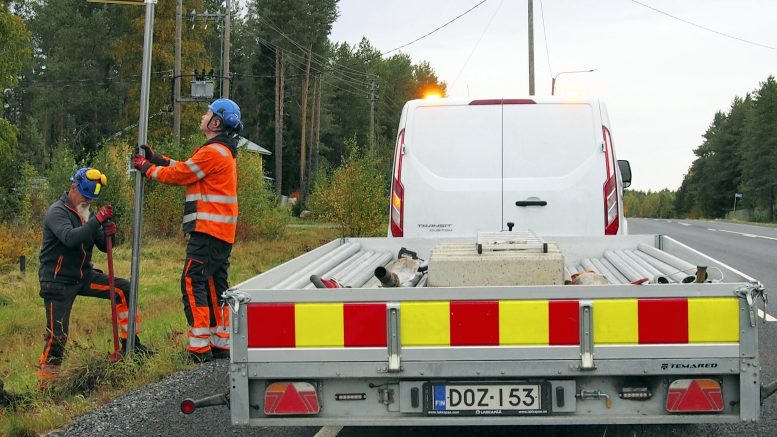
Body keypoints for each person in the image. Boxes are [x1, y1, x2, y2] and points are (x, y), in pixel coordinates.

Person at [133, 98, 242, 362]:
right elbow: (187, 168)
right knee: (215, 285)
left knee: (193, 282)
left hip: (207, 231)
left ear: (216, 122)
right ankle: (220, 342)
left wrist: (147, 168)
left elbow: (180, 175)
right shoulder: (220, 151)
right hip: (220, 233)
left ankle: (199, 346)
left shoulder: (212, 152)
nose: (202, 117)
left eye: (207, 113)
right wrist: (159, 159)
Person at [38, 167, 152, 387]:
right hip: (57, 281)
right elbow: (70, 238)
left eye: (91, 199)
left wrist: (109, 232)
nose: (87, 202)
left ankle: (132, 347)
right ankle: (46, 387)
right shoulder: (57, 212)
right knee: (57, 336)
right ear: (73, 188)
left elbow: (103, 245)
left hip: (83, 276)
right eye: (84, 196)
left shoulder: (86, 212)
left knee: (124, 290)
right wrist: (96, 221)